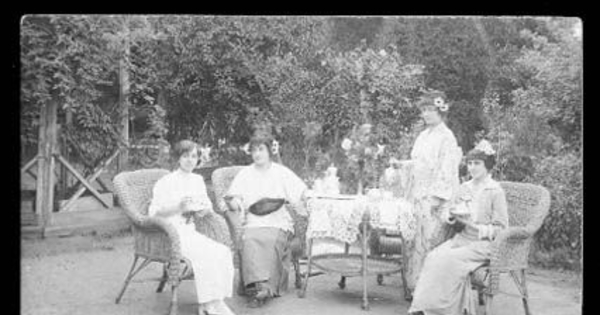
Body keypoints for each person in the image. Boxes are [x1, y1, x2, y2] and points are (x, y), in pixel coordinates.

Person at [408, 140, 509, 315]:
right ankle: (424, 307)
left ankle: (444, 311)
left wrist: (477, 227)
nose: (472, 168)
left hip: (483, 244)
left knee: (450, 260)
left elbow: (502, 228)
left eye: (477, 163)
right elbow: (450, 210)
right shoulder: (465, 187)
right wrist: (452, 216)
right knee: (433, 257)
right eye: (469, 163)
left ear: (487, 165)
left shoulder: (495, 191)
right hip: (462, 238)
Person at [386, 90, 463, 298]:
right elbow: (419, 164)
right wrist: (402, 165)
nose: (427, 114)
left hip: (435, 198)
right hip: (418, 194)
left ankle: (429, 291)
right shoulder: (423, 135)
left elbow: (447, 170)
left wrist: (436, 198)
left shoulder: (447, 137)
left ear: (441, 111)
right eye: (424, 110)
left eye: (431, 110)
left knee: (429, 242)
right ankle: (414, 286)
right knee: (414, 240)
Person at [148, 140, 235, 315]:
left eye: (194, 156)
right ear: (178, 158)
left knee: (222, 251)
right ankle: (207, 304)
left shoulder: (197, 180)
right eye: (185, 156)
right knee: (204, 256)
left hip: (190, 231)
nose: (190, 160)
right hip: (170, 233)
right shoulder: (166, 182)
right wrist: (178, 207)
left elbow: (206, 206)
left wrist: (203, 210)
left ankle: (217, 301)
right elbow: (154, 213)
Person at [224, 132, 308, 307]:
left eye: (261, 149)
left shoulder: (282, 172)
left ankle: (264, 288)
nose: (257, 154)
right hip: (253, 221)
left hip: (278, 221)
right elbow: (235, 198)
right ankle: (258, 288)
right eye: (254, 150)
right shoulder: (245, 174)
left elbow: (301, 192)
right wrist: (234, 203)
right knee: (250, 239)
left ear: (270, 151)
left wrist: (309, 198)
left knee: (270, 239)